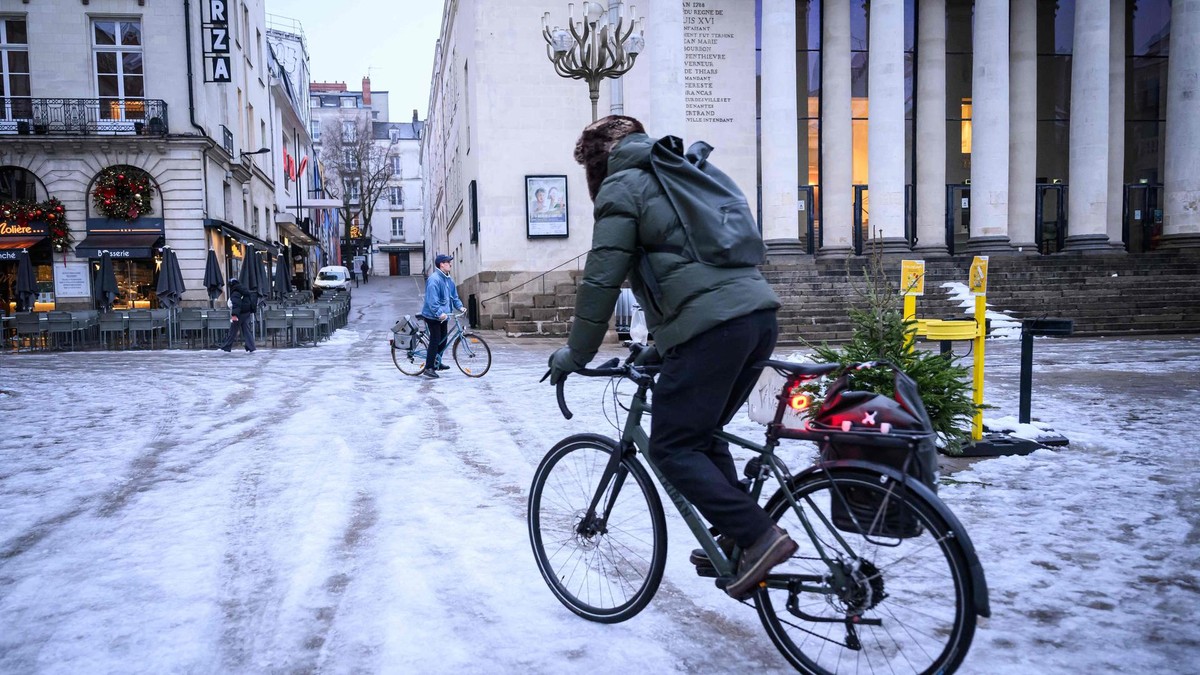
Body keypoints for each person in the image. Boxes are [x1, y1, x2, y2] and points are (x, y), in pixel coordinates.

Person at [546, 115, 794, 600]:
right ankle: (738, 532)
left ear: (599, 162)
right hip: (756, 317)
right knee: (701, 433)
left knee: (671, 447)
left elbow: (601, 280)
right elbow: (692, 265)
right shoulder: (678, 172)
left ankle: (759, 535)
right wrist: (663, 344)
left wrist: (575, 354)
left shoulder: (624, 186)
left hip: (715, 329)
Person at [420, 254, 464, 379]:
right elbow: (432, 301)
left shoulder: (448, 279)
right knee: (435, 340)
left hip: (444, 316)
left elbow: (454, 296)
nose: (450, 264)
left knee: (443, 340)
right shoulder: (434, 279)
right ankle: (428, 367)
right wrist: (439, 313)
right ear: (441, 264)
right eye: (448, 262)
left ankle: (436, 363)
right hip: (433, 316)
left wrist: (460, 306)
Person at [219, 278, 256, 353]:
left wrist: (234, 315)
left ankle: (226, 347)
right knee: (247, 331)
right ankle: (251, 347)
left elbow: (236, 304)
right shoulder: (244, 290)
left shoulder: (236, 292)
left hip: (239, 314)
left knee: (233, 331)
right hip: (247, 312)